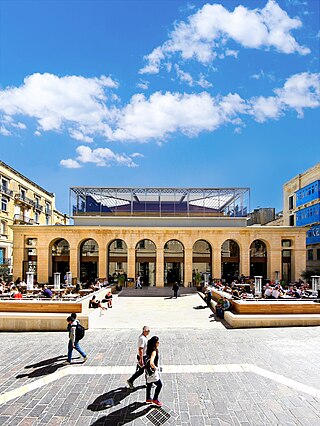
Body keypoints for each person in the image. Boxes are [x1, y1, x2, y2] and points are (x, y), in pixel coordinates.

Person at [145, 336, 163, 406]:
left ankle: (148, 398)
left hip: (147, 371)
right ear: (154, 343)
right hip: (152, 372)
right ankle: (155, 399)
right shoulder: (154, 351)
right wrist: (156, 368)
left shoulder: (149, 349)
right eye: (157, 342)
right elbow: (151, 362)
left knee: (149, 384)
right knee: (159, 385)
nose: (158, 343)